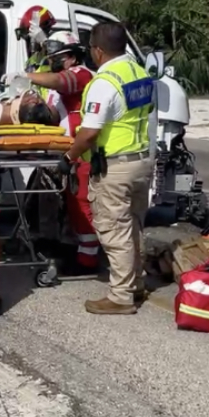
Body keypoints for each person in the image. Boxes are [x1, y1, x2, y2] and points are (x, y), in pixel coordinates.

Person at [60, 21, 154, 315]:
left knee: (115, 231)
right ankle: (136, 283)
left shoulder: (104, 82)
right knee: (133, 227)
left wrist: (68, 158)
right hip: (141, 160)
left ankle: (121, 297)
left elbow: (89, 133)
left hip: (115, 166)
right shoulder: (140, 73)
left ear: (98, 50)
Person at [27, 30, 100, 273]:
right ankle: (77, 250)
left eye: (58, 58)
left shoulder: (81, 74)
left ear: (71, 57)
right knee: (70, 204)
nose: (54, 63)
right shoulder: (61, 87)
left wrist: (26, 76)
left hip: (84, 152)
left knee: (83, 205)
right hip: (69, 152)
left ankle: (89, 259)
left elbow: (62, 81)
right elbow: (56, 115)